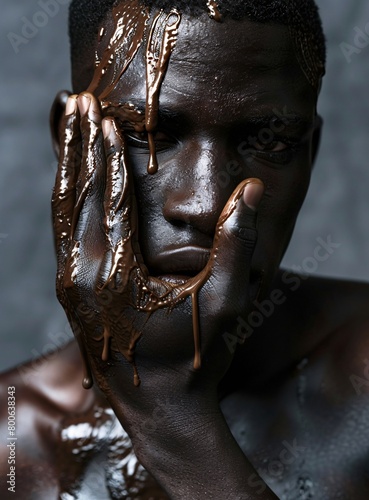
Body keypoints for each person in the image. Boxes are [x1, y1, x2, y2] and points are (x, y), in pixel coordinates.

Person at [1, 0, 369, 498]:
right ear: (70, 144)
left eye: (271, 142)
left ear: (310, 153)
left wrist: (168, 414)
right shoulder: (11, 442)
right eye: (146, 135)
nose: (203, 203)